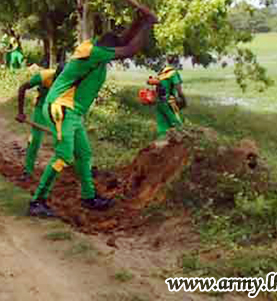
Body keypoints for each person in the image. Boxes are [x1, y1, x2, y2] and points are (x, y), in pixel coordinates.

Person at [28, 12, 157, 218]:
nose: (114, 54)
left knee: (84, 155)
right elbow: (130, 49)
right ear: (107, 48)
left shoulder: (98, 53)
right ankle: (37, 201)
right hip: (61, 107)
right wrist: (148, 24)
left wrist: (139, 20)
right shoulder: (93, 52)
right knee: (63, 156)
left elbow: (124, 42)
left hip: (73, 112)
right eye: (113, 50)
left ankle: (88, 198)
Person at [15, 65, 63, 182]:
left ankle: (70, 168)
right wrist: (21, 112)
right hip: (41, 109)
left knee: (65, 140)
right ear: (55, 75)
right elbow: (22, 88)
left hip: (59, 110)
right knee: (35, 139)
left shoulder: (72, 81)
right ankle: (28, 171)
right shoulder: (44, 76)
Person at [147, 57, 186, 140]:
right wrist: (182, 98)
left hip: (159, 102)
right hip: (169, 102)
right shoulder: (173, 73)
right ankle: (181, 142)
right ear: (177, 63)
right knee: (176, 122)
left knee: (162, 124)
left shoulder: (161, 73)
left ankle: (162, 143)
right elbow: (178, 87)